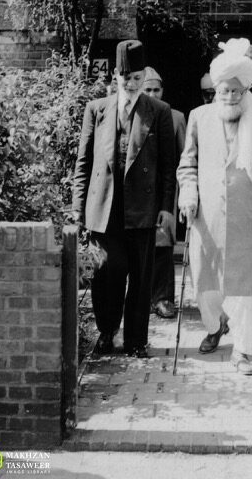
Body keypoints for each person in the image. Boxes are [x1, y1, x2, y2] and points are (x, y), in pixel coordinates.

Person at [177, 38, 252, 375]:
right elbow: (188, 166)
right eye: (222, 91)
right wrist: (188, 194)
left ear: (245, 91)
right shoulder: (199, 117)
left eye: (235, 92)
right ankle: (215, 326)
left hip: (249, 220)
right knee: (207, 287)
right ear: (215, 88)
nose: (228, 97)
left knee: (247, 292)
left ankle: (244, 351)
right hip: (207, 220)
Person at [72, 40, 176, 357]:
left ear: (144, 78)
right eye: (125, 77)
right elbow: (83, 162)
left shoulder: (159, 112)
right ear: (115, 75)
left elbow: (168, 167)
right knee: (106, 275)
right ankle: (106, 333)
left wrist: (165, 208)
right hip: (104, 207)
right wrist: (77, 209)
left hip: (142, 209)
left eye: (136, 79)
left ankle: (135, 340)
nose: (130, 84)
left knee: (141, 279)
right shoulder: (97, 109)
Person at [142, 66, 186, 319]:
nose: (152, 93)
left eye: (156, 89)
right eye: (147, 89)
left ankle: (164, 298)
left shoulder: (176, 117)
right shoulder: (134, 113)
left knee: (163, 244)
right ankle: (143, 297)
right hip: (138, 191)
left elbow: (184, 156)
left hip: (165, 188)